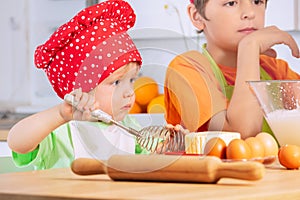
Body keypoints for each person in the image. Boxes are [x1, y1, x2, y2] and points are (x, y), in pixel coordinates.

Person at [7, 0, 150, 170]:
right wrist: (60, 114)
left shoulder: (129, 126)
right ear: (81, 89)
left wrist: (169, 145)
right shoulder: (62, 130)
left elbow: (149, 165)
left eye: (132, 80)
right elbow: (17, 142)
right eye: (117, 82)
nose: (129, 93)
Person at [164, 0, 300, 139]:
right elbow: (240, 139)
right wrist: (249, 48)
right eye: (231, 3)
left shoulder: (276, 70)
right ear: (197, 16)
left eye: (257, 1)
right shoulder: (187, 69)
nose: (250, 13)